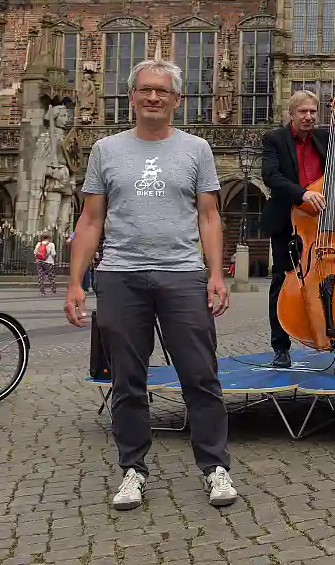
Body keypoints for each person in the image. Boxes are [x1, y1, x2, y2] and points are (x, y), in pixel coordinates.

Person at [64, 58, 237, 512]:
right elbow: (90, 218)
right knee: (127, 380)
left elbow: (209, 215)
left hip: (182, 273)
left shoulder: (196, 149)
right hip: (120, 274)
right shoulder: (106, 150)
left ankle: (215, 467)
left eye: (162, 90)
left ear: (177, 100)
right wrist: (75, 282)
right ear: (132, 96)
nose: (153, 97)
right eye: (145, 90)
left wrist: (216, 273)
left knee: (200, 376)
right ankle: (133, 470)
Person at [260, 90, 335, 368]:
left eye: (313, 112)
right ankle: (280, 348)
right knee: (282, 281)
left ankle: (332, 332)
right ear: (291, 114)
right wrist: (301, 194)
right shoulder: (274, 139)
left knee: (328, 278)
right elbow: (271, 176)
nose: (308, 117)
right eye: (303, 112)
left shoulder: (324, 137)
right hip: (288, 221)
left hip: (321, 222)